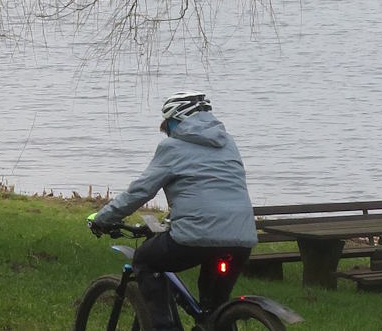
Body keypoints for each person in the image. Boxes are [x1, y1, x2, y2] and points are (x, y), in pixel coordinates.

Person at [87, 91, 258, 330]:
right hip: (241, 237)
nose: (167, 131)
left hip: (196, 236)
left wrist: (103, 218)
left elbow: (140, 191)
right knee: (214, 310)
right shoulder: (228, 143)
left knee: (144, 260)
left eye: (167, 125)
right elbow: (211, 190)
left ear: (177, 119)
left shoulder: (172, 147)